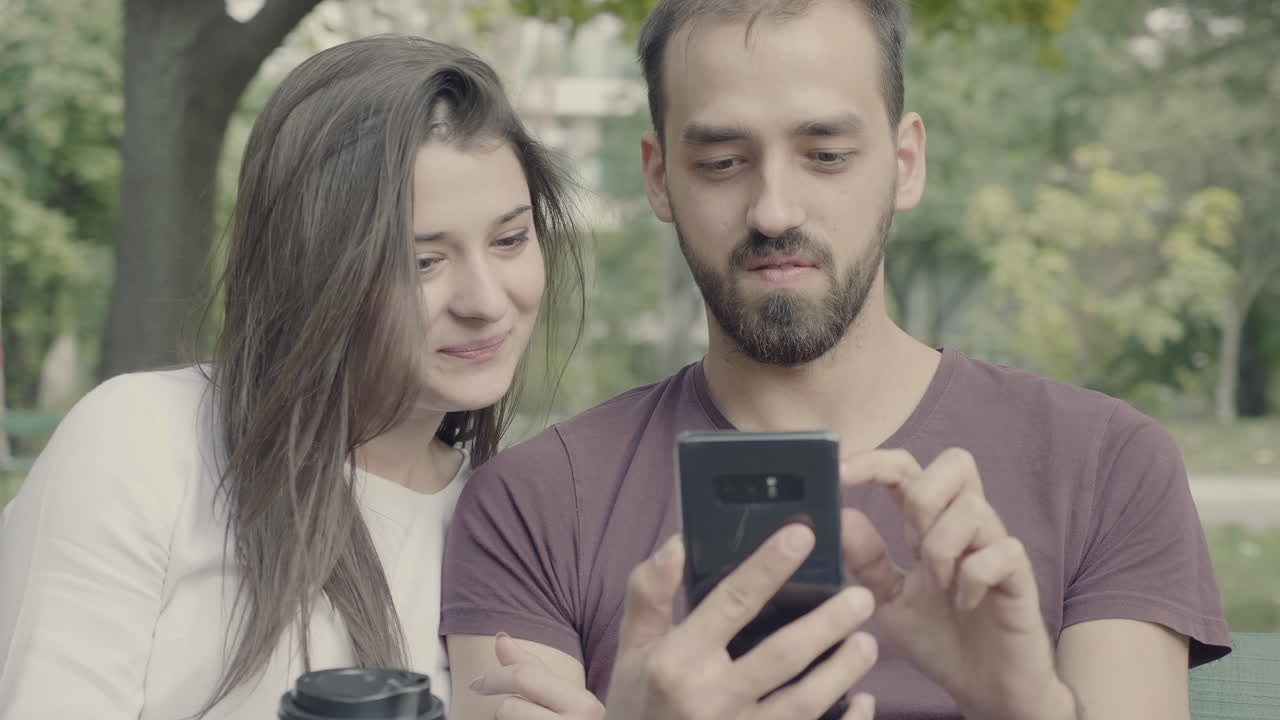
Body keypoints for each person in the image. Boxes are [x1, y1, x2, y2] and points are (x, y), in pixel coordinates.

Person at [440, 1, 1233, 719]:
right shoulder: (533, 504)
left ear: (905, 163)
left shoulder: (1108, 465)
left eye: (826, 154)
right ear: (659, 178)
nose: (775, 210)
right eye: (722, 162)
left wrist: (1023, 704)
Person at [0, 35, 601, 720]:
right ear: (315, 266)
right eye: (421, 262)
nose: (486, 301)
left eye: (509, 240)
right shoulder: (143, 443)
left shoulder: (512, 530)